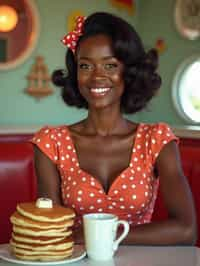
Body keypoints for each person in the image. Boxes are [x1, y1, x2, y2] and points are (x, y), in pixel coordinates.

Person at [31, 12, 197, 245]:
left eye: (110, 65)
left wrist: (100, 236)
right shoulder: (51, 143)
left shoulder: (157, 140)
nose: (97, 76)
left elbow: (186, 231)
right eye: (85, 65)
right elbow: (51, 232)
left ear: (128, 72)